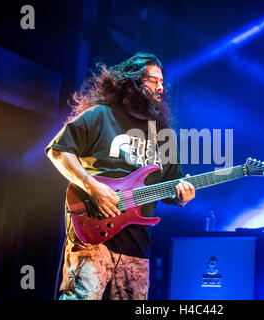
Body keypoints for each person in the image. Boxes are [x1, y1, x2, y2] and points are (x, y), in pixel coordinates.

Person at [45, 52, 195, 300]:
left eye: (162, 82)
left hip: (137, 247)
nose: (160, 87)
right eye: (152, 80)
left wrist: (182, 196)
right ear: (130, 82)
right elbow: (58, 151)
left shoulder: (163, 134)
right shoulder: (101, 115)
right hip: (92, 236)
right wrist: (91, 186)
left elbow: (170, 188)